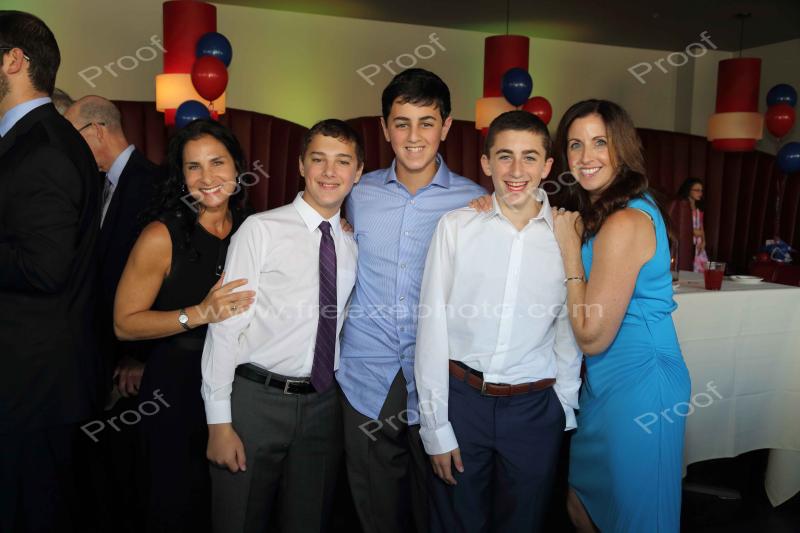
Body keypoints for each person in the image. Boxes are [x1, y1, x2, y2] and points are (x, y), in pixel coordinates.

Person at [415, 110, 582, 533]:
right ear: (486, 163)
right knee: (456, 522)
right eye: (504, 156)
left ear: (547, 166)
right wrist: (435, 426)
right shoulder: (455, 227)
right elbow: (431, 328)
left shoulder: (567, 235)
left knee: (524, 524)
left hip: (534, 407)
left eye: (530, 157)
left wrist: (563, 406)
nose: (516, 170)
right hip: (462, 401)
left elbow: (567, 329)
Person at [337, 68, 486, 533]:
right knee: (374, 510)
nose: (414, 136)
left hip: (442, 376)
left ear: (446, 127)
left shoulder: (476, 202)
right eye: (402, 123)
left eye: (427, 122)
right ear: (385, 128)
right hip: (366, 372)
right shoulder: (355, 193)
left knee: (438, 506)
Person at [202, 118, 363, 533]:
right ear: (301, 165)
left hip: (323, 405)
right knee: (239, 519)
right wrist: (219, 422)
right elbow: (224, 328)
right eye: (319, 159)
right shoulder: (261, 230)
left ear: (358, 172)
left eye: (343, 161)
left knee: (309, 521)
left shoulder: (351, 243)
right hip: (256, 400)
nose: (330, 171)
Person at [550, 99, 691, 532]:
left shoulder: (625, 220)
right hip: (605, 382)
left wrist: (570, 251)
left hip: (642, 381)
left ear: (622, 148)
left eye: (600, 143)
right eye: (575, 144)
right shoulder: (605, 210)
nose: (586, 156)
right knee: (582, 501)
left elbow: (591, 335)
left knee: (637, 518)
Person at [113, 119, 254, 533]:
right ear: (182, 176)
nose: (207, 177)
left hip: (238, 388)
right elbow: (124, 324)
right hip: (174, 391)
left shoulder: (253, 229)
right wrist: (199, 313)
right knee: (176, 505)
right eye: (194, 167)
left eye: (217, 162)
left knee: (228, 509)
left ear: (237, 166)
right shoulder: (162, 235)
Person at [0, 11, 102, 532]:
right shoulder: (29, 139)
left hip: (33, 389)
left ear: (13, 61)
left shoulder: (44, 147)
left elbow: (44, 269)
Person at [65, 95, 160, 531]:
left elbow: (167, 282)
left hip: (133, 368)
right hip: (96, 359)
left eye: (72, 136)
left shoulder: (153, 184)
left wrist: (140, 356)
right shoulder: (98, 185)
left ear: (96, 130)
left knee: (128, 483)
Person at [677, 177, 708, 272]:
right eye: (697, 190)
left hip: (698, 243)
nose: (700, 193)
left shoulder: (699, 207)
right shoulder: (682, 205)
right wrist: (693, 231)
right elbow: (679, 225)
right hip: (687, 242)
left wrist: (704, 241)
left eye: (701, 191)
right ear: (688, 190)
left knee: (701, 269)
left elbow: (701, 226)